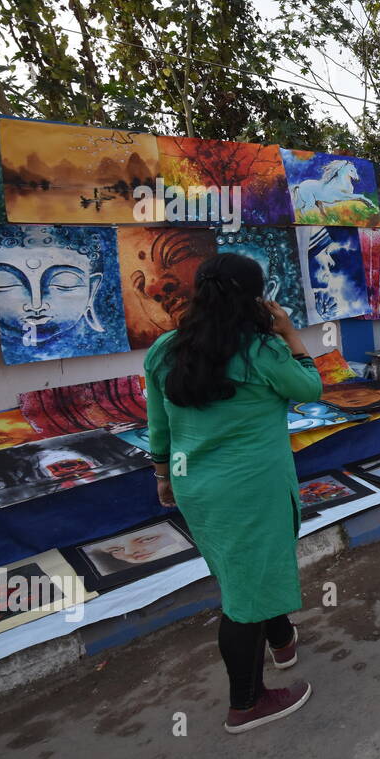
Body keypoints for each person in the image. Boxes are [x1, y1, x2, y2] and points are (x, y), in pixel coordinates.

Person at [144, 252, 320, 733]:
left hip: (195, 485)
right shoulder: (262, 350)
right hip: (251, 485)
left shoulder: (164, 349)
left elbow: (158, 427)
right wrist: (290, 334)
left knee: (244, 567)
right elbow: (309, 388)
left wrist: (163, 476)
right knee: (243, 594)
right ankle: (246, 702)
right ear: (257, 299)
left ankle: (282, 640)